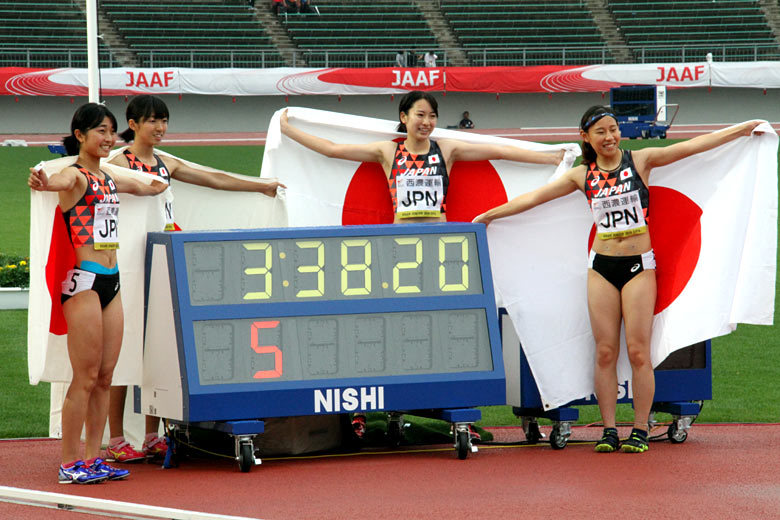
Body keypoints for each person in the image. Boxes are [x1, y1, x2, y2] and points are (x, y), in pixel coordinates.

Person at [472, 106, 763, 453]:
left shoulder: (640, 161)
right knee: (605, 352)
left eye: (613, 130)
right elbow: (533, 199)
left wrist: (742, 129)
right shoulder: (581, 176)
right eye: (601, 132)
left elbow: (693, 146)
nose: (609, 137)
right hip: (601, 267)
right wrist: (489, 216)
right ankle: (609, 430)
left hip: (639, 267)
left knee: (639, 352)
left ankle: (640, 429)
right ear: (586, 137)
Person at [280, 90, 564, 439]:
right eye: (420, 115)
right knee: (394, 326)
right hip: (400, 249)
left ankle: (448, 401)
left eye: (432, 116)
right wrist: (289, 131)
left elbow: (501, 151)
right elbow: (333, 150)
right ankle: (375, 404)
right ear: (404, 118)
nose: (427, 122)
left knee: (440, 327)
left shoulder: (447, 150)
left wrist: (550, 158)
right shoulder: (389, 151)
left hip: (440, 249)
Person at [102, 94, 284, 463]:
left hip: (163, 257)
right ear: (133, 124)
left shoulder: (166, 161)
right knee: (125, 349)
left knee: (158, 348)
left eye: (164, 120)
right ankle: (117, 438)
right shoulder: (115, 163)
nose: (160, 127)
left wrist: (259, 185)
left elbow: (212, 179)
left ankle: (152, 434)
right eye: (153, 120)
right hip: (130, 261)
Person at [28, 103, 167, 483]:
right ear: (80, 136)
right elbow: (54, 182)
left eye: (111, 131)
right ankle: (69, 462)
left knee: (106, 376)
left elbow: (144, 184)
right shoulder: (73, 177)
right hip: (84, 282)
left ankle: (93, 458)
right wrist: (42, 181)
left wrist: (161, 182)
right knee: (85, 377)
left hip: (113, 281)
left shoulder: (108, 176)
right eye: (101, 132)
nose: (108, 138)